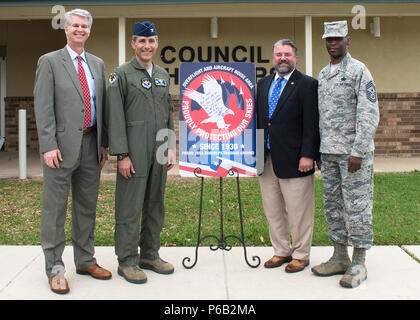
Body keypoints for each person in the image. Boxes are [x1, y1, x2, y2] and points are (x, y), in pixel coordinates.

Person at [34, 8, 111, 294]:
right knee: (54, 210)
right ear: (66, 29)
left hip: (91, 146)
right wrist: (48, 145)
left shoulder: (98, 64)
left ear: (89, 31)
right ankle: (55, 267)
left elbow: (101, 105)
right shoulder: (50, 62)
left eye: (84, 27)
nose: (80, 30)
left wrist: (103, 143)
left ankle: (85, 260)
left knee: (86, 207)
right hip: (61, 149)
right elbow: (43, 107)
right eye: (75, 26)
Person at [106, 21, 176, 284]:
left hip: (158, 150)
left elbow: (168, 112)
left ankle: (150, 254)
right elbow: (115, 117)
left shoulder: (162, 74)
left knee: (155, 204)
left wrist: (169, 146)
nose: (147, 46)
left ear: (156, 43)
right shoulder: (121, 74)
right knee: (129, 207)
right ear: (133, 43)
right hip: (133, 152)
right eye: (142, 41)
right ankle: (126, 260)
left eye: (152, 41)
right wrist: (122, 155)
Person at [311, 21, 380, 288]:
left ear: (347, 40)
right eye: (328, 39)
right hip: (328, 154)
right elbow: (321, 117)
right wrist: (319, 149)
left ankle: (359, 261)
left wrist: (359, 151)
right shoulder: (324, 74)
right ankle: (339, 255)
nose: (332, 43)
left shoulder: (358, 71)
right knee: (333, 206)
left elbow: (369, 112)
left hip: (353, 155)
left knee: (357, 206)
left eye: (337, 39)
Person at [256, 39, 319, 273]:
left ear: (295, 58)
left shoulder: (307, 85)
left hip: (296, 159)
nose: (283, 58)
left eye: (287, 54)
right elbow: (260, 121)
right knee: (273, 209)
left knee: (298, 210)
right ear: (273, 58)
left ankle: (301, 254)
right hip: (267, 158)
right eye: (279, 54)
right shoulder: (262, 84)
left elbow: (312, 124)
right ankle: (281, 250)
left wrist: (308, 155)